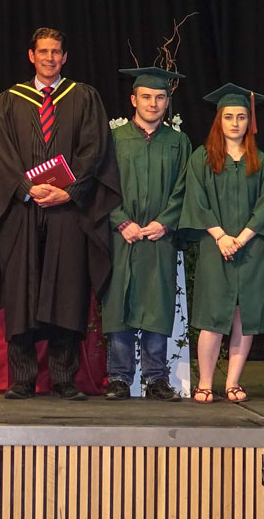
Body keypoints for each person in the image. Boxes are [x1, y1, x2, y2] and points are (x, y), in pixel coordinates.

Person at [0, 27, 122, 400]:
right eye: (43, 52)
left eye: (56, 52)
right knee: (21, 291)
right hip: (23, 210)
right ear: (31, 56)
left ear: (65, 57)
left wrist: (68, 192)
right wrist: (26, 188)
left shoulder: (84, 97)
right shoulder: (10, 100)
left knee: (67, 291)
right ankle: (21, 378)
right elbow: (0, 155)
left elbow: (94, 151)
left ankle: (63, 378)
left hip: (68, 211)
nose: (50, 58)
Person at [180, 83, 264, 405]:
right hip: (215, 244)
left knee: (244, 314)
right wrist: (221, 236)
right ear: (218, 121)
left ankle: (234, 381)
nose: (235, 123)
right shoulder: (202, 158)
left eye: (241, 117)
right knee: (212, 315)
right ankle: (205, 382)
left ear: (250, 122)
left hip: (252, 247)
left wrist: (243, 236)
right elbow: (197, 199)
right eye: (228, 117)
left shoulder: (262, 160)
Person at [102, 67, 190, 402]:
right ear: (133, 99)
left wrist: (165, 221)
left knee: (157, 303)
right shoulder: (114, 139)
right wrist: (121, 221)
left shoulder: (178, 142)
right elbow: (103, 186)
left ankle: (157, 379)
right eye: (146, 97)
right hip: (123, 235)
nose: (153, 103)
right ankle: (120, 378)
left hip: (159, 236)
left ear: (167, 102)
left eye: (160, 97)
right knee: (119, 303)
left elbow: (184, 188)